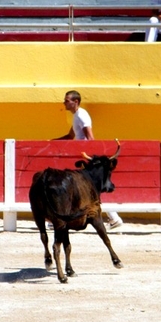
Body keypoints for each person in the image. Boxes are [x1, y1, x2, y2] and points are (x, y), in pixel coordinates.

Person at [55, 90, 124, 229]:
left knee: (89, 188)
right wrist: (52, 141)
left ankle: (114, 216)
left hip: (84, 156)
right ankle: (113, 217)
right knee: (86, 188)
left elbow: (90, 139)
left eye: (67, 100)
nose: (64, 103)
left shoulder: (81, 115)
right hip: (81, 154)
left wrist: (90, 159)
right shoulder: (77, 116)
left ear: (76, 102)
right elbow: (70, 136)